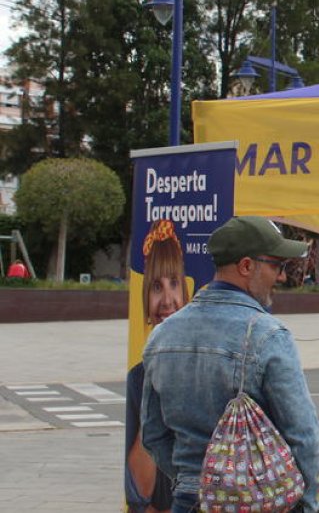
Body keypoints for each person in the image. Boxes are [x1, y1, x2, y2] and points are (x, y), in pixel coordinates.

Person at [141, 216, 319, 513]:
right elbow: (302, 434)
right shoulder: (268, 335)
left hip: (189, 499)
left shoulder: (162, 334)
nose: (282, 277)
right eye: (277, 265)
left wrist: (191, 479)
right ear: (246, 266)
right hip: (255, 501)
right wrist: (308, 504)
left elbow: (153, 433)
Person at [126, 219, 191, 512]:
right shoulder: (139, 378)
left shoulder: (207, 365)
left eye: (174, 284)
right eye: (156, 286)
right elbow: (141, 489)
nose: (167, 300)